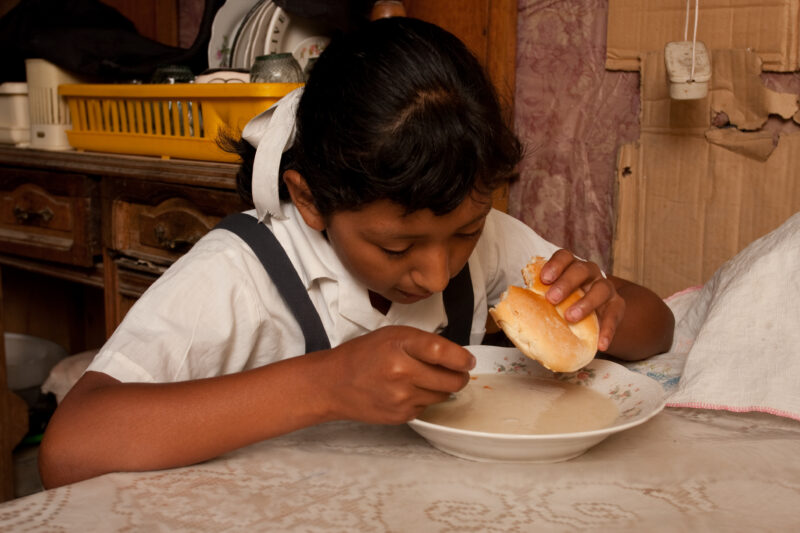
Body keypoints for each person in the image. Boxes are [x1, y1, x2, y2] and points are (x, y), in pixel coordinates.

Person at [38, 17, 674, 488]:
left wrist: (601, 304)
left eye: (465, 233)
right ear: (311, 201)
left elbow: (657, 329)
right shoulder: (243, 271)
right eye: (396, 245)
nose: (436, 271)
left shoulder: (489, 243)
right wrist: (324, 387)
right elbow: (70, 448)